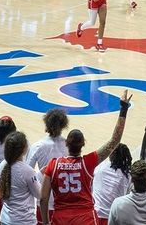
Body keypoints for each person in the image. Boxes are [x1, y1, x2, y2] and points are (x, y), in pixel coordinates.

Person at [40, 91, 133, 224]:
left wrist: (45, 222)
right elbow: (114, 141)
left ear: (66, 143)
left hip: (61, 218)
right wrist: (123, 109)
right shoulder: (88, 162)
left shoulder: (53, 165)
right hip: (85, 218)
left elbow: (43, 199)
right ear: (83, 144)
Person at [0, 131, 40, 225]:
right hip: (24, 220)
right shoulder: (27, 170)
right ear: (24, 149)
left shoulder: (3, 165)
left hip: (5, 219)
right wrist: (42, 176)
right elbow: (39, 195)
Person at [92, 144, 133, 224]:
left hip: (95, 214)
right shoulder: (128, 176)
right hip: (113, 217)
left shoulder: (100, 166)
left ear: (111, 155)